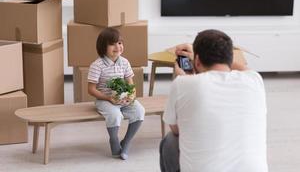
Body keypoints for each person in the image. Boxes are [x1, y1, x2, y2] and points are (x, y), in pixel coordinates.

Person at [160, 29, 268, 172]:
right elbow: (242, 68)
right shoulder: (255, 80)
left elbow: (176, 129)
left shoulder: (183, 84)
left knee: (170, 142)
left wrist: (183, 77)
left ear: (197, 61)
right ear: (230, 58)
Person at [87, 27, 145, 160]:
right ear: (103, 47)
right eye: (112, 44)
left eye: (119, 43)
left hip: (123, 98)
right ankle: (114, 140)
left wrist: (131, 95)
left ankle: (126, 142)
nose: (117, 47)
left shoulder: (124, 62)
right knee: (115, 115)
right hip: (105, 99)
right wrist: (108, 98)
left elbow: (130, 83)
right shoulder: (97, 65)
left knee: (139, 111)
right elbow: (91, 89)